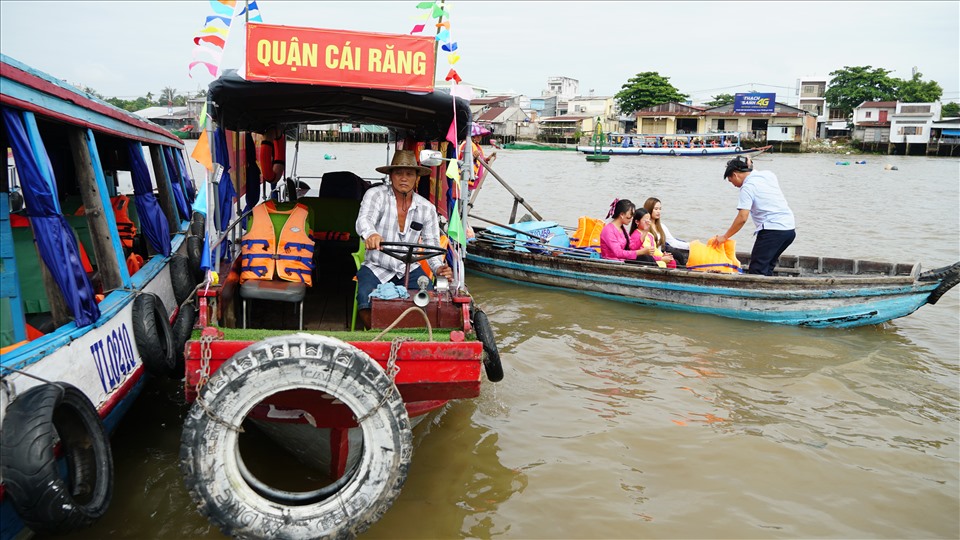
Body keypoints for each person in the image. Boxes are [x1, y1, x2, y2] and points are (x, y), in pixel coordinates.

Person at [355, 150, 453, 329]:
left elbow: (432, 245)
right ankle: (376, 335)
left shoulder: (427, 208)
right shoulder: (375, 195)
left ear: (416, 178)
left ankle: (417, 337)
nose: (403, 178)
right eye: (399, 173)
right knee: (365, 299)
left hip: (409, 267)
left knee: (432, 300)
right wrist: (370, 234)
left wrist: (438, 267)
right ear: (391, 176)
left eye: (409, 174)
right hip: (377, 267)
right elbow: (364, 220)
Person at [714, 156, 796, 276]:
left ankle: (758, 293)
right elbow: (751, 168)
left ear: (735, 175)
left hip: (772, 230)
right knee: (767, 266)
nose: (734, 185)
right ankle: (768, 290)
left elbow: (742, 218)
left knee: (757, 270)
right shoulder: (769, 175)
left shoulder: (747, 187)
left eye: (731, 181)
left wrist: (725, 237)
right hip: (789, 230)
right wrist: (748, 162)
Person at [643, 197, 689, 265]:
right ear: (649, 209)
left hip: (660, 254)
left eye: (660, 209)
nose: (658, 211)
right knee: (676, 262)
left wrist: (690, 245)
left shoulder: (661, 226)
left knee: (678, 256)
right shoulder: (644, 227)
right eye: (656, 209)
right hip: (652, 258)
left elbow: (673, 242)